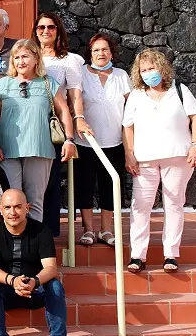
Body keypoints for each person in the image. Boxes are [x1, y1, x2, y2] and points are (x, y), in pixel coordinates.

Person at [123, 49, 196, 273]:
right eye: (144, 70)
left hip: (177, 156)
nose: (149, 73)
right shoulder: (137, 95)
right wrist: (129, 154)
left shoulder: (179, 90)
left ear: (162, 68)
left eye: (152, 68)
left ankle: (171, 254)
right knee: (140, 205)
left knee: (174, 204)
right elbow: (127, 126)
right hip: (145, 159)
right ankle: (138, 255)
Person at [0, 39, 77, 224]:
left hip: (40, 149)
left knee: (34, 201)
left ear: (36, 58)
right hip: (7, 151)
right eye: (16, 57)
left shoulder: (48, 83)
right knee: (11, 201)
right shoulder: (3, 84)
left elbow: (63, 111)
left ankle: (34, 247)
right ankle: (13, 246)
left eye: (25, 56)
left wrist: (69, 139)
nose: (20, 61)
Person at [0, 189, 67, 336]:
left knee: (55, 286)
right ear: (0, 209)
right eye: (7, 207)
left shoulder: (42, 231)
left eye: (18, 206)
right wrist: (13, 281)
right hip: (6, 289)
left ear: (27, 208)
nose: (12, 212)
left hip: (34, 289)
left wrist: (35, 281)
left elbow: (51, 268)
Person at [32, 12, 89, 236]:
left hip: (53, 124)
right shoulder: (25, 55)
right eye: (41, 27)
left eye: (51, 27)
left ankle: (48, 231)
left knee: (51, 179)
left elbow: (75, 95)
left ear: (58, 31)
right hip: (27, 124)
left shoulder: (70, 60)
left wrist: (78, 120)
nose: (45, 31)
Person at [75, 34, 131, 247]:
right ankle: (88, 229)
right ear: (90, 52)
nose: (101, 53)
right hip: (86, 142)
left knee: (110, 187)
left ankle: (106, 230)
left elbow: (132, 106)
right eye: (97, 50)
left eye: (105, 49)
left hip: (115, 141)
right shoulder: (81, 74)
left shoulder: (121, 75)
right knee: (85, 186)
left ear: (111, 52)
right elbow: (75, 99)